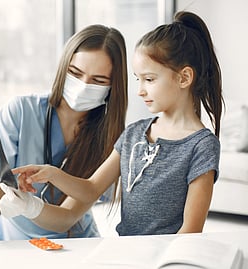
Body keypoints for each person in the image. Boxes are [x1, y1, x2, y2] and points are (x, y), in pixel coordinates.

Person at [13, 11, 223, 236]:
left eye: (149, 79)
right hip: (126, 252)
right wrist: (52, 174)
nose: (140, 90)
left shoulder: (202, 146)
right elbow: (92, 189)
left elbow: (190, 231)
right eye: (138, 79)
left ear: (184, 78)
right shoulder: (134, 133)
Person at [0, 24, 128, 240]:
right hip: (12, 245)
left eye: (98, 81)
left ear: (113, 87)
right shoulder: (21, 112)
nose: (83, 85)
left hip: (76, 246)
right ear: (63, 67)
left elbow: (67, 217)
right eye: (75, 73)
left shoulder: (109, 137)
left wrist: (30, 206)